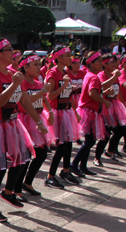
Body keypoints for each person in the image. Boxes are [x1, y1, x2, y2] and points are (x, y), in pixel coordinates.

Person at [0, 38, 46, 220]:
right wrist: (15, 84)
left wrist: (38, 120)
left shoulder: (12, 73)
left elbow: (23, 100)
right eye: (8, 49)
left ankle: (7, 192)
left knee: (23, 158)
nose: (13, 52)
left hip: (12, 123)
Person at [16, 52, 55, 194]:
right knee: (25, 156)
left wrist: (50, 112)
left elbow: (44, 100)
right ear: (25, 67)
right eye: (35, 64)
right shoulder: (22, 82)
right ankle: (16, 188)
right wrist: (43, 90)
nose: (39, 67)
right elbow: (27, 101)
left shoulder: (38, 82)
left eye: (39, 64)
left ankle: (27, 182)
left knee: (42, 153)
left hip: (38, 118)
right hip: (25, 120)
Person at [43, 46, 81, 188]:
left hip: (66, 111)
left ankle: (66, 170)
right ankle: (50, 176)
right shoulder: (53, 73)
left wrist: (75, 111)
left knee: (68, 143)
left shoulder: (65, 73)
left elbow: (68, 95)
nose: (71, 58)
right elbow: (49, 96)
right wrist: (64, 85)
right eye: (68, 55)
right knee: (60, 145)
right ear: (58, 58)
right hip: (57, 112)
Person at [71, 52, 110, 176]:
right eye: (98, 61)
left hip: (88, 110)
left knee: (90, 140)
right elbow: (92, 93)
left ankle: (82, 166)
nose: (101, 63)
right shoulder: (93, 77)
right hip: (88, 111)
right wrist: (104, 101)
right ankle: (74, 165)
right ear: (91, 63)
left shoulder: (89, 75)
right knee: (90, 141)